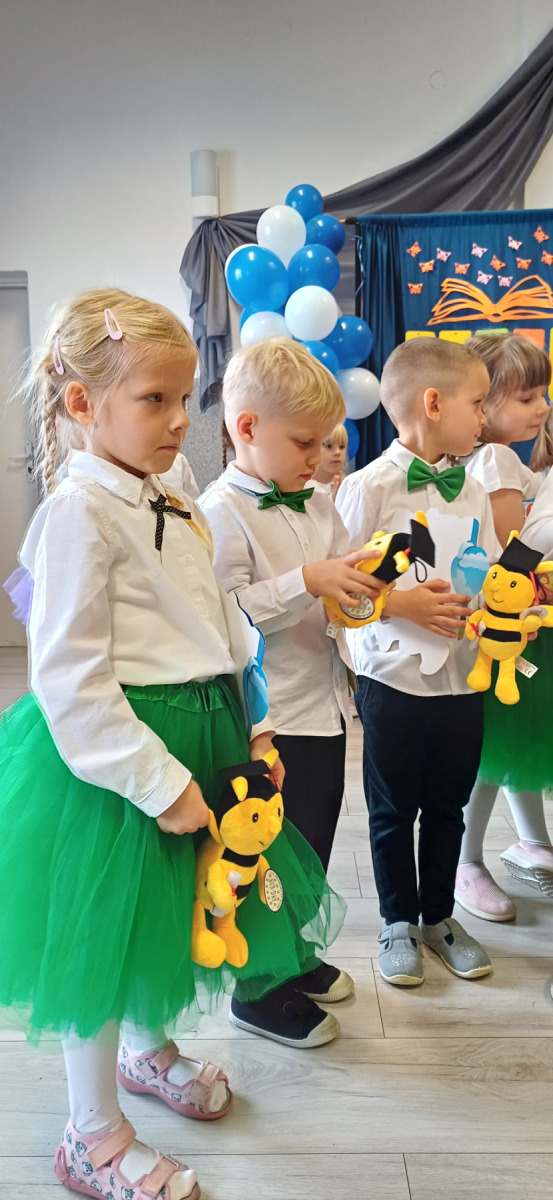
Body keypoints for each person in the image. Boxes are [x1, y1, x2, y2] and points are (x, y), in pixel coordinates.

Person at [0, 290, 342, 1200]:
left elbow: (222, 620)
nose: (180, 419)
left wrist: (256, 725)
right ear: (83, 403)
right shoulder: (78, 514)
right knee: (105, 942)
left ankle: (146, 1050)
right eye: (155, 399)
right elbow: (70, 682)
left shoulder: (173, 491)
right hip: (122, 764)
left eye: (184, 398)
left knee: (165, 914)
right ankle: (90, 1133)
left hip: (205, 732)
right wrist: (161, 785)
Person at [200, 338, 384, 1043]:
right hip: (268, 718)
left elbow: (334, 591)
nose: (318, 456)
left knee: (310, 845)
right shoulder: (220, 511)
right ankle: (257, 986)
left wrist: (358, 587)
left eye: (325, 441)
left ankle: (291, 951)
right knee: (263, 850)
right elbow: (224, 618)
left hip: (323, 704)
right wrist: (306, 581)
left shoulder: (318, 502)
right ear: (246, 427)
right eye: (304, 442)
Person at [337, 337, 498, 987]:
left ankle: (440, 917)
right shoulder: (367, 490)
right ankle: (397, 921)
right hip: (393, 681)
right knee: (391, 808)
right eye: (477, 403)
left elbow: (489, 573)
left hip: (462, 679)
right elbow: (341, 597)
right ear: (433, 404)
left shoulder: (474, 490)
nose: (484, 417)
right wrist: (398, 604)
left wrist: (504, 607)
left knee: (448, 806)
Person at [455, 334, 552, 921]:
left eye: (543, 394)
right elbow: (516, 559)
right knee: (494, 747)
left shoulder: (491, 460)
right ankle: (467, 862)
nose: (542, 407)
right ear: (483, 403)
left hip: (500, 626)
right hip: (504, 630)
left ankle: (529, 841)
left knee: (510, 740)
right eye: (527, 397)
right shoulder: (495, 460)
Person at [314, 422, 349, 499]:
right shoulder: (302, 489)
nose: (337, 452)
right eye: (329, 446)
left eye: (342, 447)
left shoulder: (350, 486)